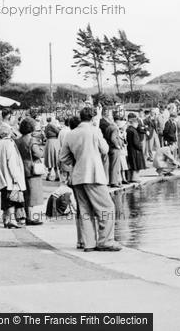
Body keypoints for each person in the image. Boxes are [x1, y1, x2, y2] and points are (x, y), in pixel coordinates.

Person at [59, 107, 121, 252]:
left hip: (78, 176)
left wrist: (76, 160)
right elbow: (105, 149)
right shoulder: (95, 131)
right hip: (94, 175)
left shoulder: (71, 134)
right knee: (107, 207)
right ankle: (105, 241)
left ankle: (89, 243)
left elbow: (63, 158)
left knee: (85, 210)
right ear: (93, 118)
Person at [0, 126, 26, 229]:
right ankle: (11, 220)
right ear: (8, 133)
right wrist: (16, 177)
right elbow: (11, 162)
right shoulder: (9, 144)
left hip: (1, 176)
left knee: (5, 198)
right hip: (10, 177)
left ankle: (6, 219)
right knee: (12, 199)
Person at [14, 118, 45, 225]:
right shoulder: (32, 141)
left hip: (20, 168)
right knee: (32, 195)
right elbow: (38, 154)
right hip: (32, 169)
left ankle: (22, 215)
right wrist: (42, 149)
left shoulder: (17, 141)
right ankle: (29, 217)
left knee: (24, 193)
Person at [103, 112, 124, 188]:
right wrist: (118, 146)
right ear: (116, 121)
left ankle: (109, 181)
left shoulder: (109, 127)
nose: (120, 122)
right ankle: (114, 182)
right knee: (115, 165)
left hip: (109, 148)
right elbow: (113, 138)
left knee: (110, 165)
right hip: (114, 149)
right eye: (119, 120)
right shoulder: (114, 128)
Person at [126, 114, 146, 182]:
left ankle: (132, 178)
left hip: (130, 149)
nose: (137, 124)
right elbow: (136, 142)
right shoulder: (133, 131)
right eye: (136, 123)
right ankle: (135, 178)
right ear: (133, 123)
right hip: (135, 150)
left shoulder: (129, 130)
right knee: (136, 165)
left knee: (133, 164)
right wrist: (140, 147)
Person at [43, 117, 61, 181]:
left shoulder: (46, 126)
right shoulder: (52, 125)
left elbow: (45, 134)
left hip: (48, 142)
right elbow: (58, 132)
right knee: (54, 158)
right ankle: (56, 175)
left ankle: (49, 175)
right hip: (54, 142)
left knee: (50, 159)